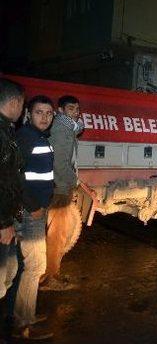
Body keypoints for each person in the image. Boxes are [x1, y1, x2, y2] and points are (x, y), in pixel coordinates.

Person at [11, 95, 55, 340]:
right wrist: (32, 206)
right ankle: (23, 322)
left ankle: (24, 314)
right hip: (30, 213)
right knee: (35, 266)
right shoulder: (27, 137)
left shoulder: (38, 137)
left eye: (49, 114)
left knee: (30, 266)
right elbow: (14, 177)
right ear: (28, 113)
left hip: (36, 209)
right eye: (39, 112)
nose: (45, 117)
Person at [40, 95, 84, 291]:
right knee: (57, 235)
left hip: (59, 186)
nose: (75, 112)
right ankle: (49, 277)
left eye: (76, 109)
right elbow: (60, 162)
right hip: (60, 188)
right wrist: (72, 182)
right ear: (60, 110)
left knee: (56, 233)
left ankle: (50, 273)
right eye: (70, 108)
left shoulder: (67, 128)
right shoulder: (62, 129)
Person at [0, 79, 25, 302]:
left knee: (9, 274)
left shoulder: (6, 130)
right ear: (16, 102)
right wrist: (5, 224)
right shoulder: (3, 135)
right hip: (2, 223)